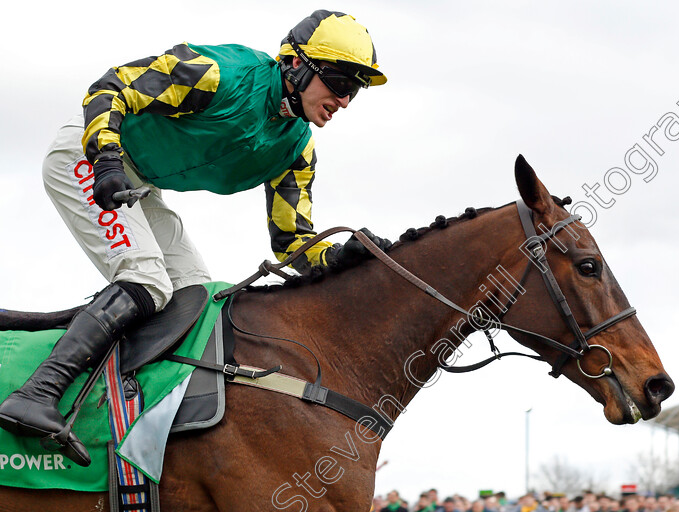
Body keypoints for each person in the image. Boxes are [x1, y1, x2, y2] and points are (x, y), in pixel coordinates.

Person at [0, 9, 391, 467]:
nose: (345, 100)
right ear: (298, 65)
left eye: (355, 91)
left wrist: (339, 258)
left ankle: (123, 407)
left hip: (138, 180)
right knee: (147, 280)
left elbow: (292, 242)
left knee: (198, 297)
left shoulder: (297, 148)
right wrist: (104, 156)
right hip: (87, 156)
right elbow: (112, 86)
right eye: (342, 84)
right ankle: (36, 393)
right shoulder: (220, 73)